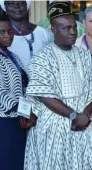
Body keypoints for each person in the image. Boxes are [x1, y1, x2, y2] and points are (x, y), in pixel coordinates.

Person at [24, 3, 92, 169]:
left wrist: (84, 115)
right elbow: (44, 95)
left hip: (83, 124)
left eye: (73, 27)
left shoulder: (84, 54)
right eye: (65, 28)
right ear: (53, 29)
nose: (72, 32)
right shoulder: (42, 57)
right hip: (54, 125)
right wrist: (73, 115)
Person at [0, 12, 29, 170]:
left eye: (10, 31)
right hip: (4, 122)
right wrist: (23, 111)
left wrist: (27, 112)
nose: (8, 35)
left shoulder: (13, 56)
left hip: (18, 120)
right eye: (2, 32)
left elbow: (26, 85)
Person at [0, 0, 51, 75]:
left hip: (41, 84)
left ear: (27, 5)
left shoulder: (43, 33)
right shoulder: (2, 36)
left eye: (21, 2)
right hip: (14, 84)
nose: (16, 6)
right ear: (5, 7)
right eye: (11, 3)